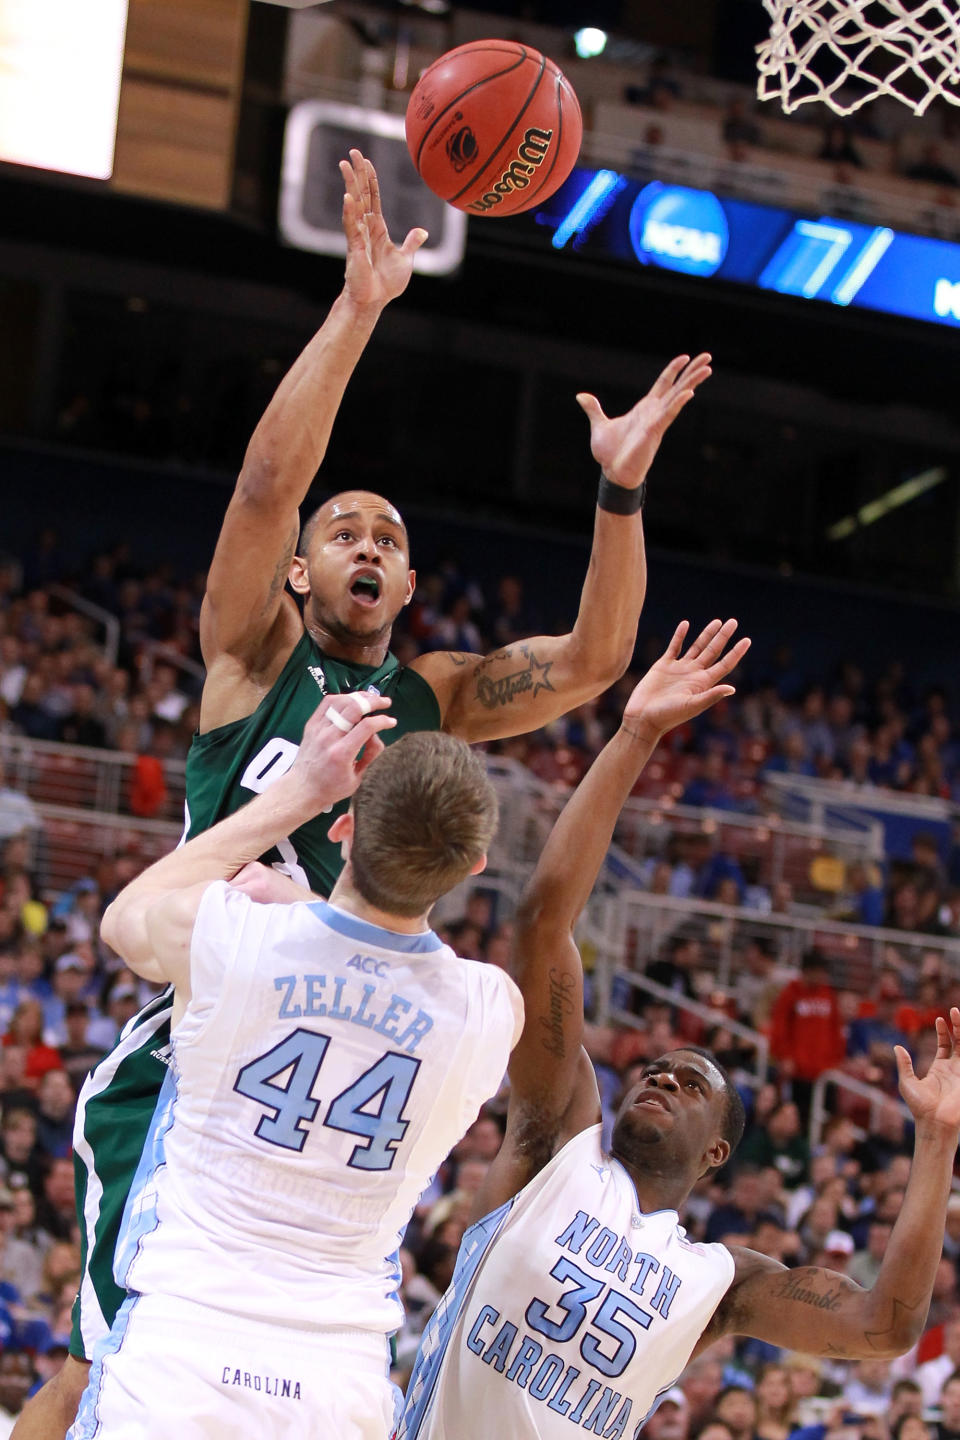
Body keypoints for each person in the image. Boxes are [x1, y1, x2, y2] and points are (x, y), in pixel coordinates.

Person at [19, 150, 714, 1439]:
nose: (367, 545)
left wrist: (619, 490)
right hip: (197, 1037)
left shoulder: (438, 698)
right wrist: (358, 310)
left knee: (125, 1362)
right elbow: (264, 487)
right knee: (115, 1354)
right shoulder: (249, 662)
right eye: (346, 530)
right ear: (297, 574)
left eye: (389, 539)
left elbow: (597, 660)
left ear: (404, 589)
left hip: (341, 1056)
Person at [400, 619, 960, 1440]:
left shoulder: (720, 1282)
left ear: (717, 1152)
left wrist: (939, 1143)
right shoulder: (555, 1144)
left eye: (692, 1082)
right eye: (660, 1067)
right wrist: (635, 732)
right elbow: (543, 922)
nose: (664, 1076)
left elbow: (885, 1325)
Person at [69, 692, 523, 1439]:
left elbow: (124, 919)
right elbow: (370, 967)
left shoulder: (227, 931)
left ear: (343, 827)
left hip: (182, 1350)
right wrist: (304, 904)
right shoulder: (489, 1012)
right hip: (339, 1385)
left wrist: (296, 794)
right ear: (472, 866)